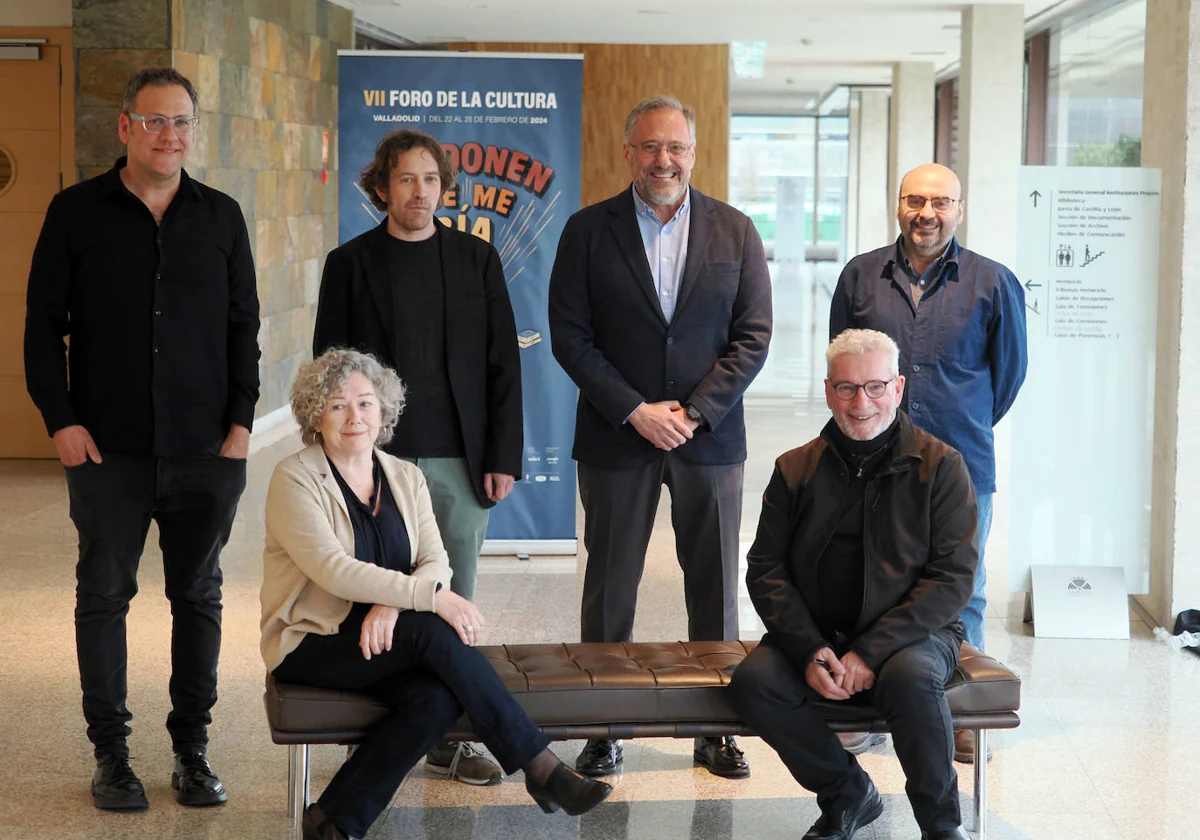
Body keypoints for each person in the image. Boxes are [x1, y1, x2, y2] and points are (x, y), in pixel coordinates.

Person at [23, 67, 259, 811]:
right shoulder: (74, 213)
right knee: (104, 597)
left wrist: (243, 425)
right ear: (124, 126)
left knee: (199, 599)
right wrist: (59, 419)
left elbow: (243, 329)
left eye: (183, 122)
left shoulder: (221, 217)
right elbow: (40, 328)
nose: (170, 136)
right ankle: (112, 756)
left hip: (205, 452)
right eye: (155, 121)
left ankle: (192, 750)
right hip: (107, 452)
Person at [261, 349, 611, 840]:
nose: (354, 417)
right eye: (337, 405)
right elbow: (335, 571)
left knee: (435, 697)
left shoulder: (404, 476)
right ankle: (539, 765)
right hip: (315, 640)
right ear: (315, 414)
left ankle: (333, 820)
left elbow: (436, 559)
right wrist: (430, 598)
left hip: (387, 637)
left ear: (383, 411)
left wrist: (395, 601)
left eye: (365, 403)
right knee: (430, 626)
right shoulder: (295, 478)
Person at [548, 95, 772, 779]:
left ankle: (715, 730)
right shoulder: (588, 231)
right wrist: (636, 409)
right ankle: (603, 726)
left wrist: (695, 412)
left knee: (715, 587)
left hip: (711, 440)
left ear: (694, 153)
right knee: (610, 586)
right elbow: (570, 337)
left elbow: (753, 337)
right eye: (650, 147)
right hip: (619, 437)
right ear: (628, 153)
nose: (663, 160)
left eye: (675, 147)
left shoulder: (735, 231)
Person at [313, 129, 522, 784]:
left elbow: (502, 364)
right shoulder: (350, 264)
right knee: (370, 601)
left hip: (460, 457)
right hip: (373, 463)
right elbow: (328, 369)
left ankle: (451, 738)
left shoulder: (475, 261)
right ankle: (369, 735)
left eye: (431, 179)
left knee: (451, 600)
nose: (420, 191)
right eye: (406, 179)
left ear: (445, 189)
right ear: (382, 188)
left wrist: (504, 454)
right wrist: (330, 459)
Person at [730, 328, 977, 840]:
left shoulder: (942, 467)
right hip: (818, 632)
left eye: (875, 387)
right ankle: (847, 792)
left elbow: (952, 579)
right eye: (846, 388)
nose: (860, 402)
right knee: (755, 682)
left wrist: (870, 651)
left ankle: (941, 825)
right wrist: (808, 648)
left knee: (909, 678)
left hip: (914, 634)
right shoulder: (794, 469)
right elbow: (766, 569)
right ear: (827, 391)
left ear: (899, 387)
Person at [828, 163, 1026, 761]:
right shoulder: (861, 276)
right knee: (865, 580)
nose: (927, 213)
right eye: (916, 200)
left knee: (964, 588)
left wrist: (959, 425)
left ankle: (961, 712)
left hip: (962, 464)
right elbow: (844, 366)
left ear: (958, 210)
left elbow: (1008, 376)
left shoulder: (994, 282)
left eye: (941, 202)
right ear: (898, 205)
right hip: (870, 461)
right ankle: (861, 706)